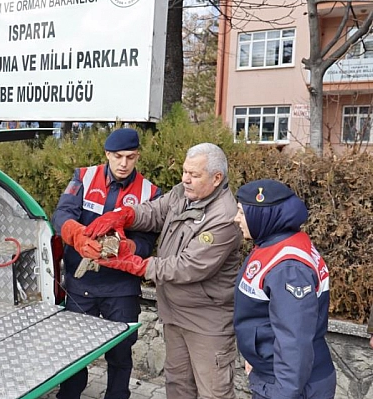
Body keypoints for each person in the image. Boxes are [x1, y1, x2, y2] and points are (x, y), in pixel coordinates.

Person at [85, 142, 242, 399]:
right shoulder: (183, 193)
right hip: (175, 314)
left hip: (206, 322)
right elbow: (155, 212)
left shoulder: (224, 217)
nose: (185, 179)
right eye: (184, 171)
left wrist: (136, 263)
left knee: (214, 393)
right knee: (178, 386)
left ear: (217, 178)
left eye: (194, 175)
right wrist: (124, 215)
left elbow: (188, 267)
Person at [51, 127, 161, 399]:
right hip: (81, 283)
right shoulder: (84, 177)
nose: (124, 164)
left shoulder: (150, 192)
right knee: (75, 353)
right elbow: (62, 214)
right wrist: (76, 235)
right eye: (118, 156)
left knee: (120, 354)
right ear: (107, 154)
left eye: (131, 157)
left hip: (121, 288)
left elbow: (148, 240)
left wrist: (127, 248)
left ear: (137, 157)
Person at [232, 179, 336, 398]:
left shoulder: (289, 268)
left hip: (290, 385)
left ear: (262, 215)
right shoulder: (274, 243)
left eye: (242, 213)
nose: (236, 219)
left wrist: (283, 392)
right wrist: (256, 358)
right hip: (273, 373)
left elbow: (294, 340)